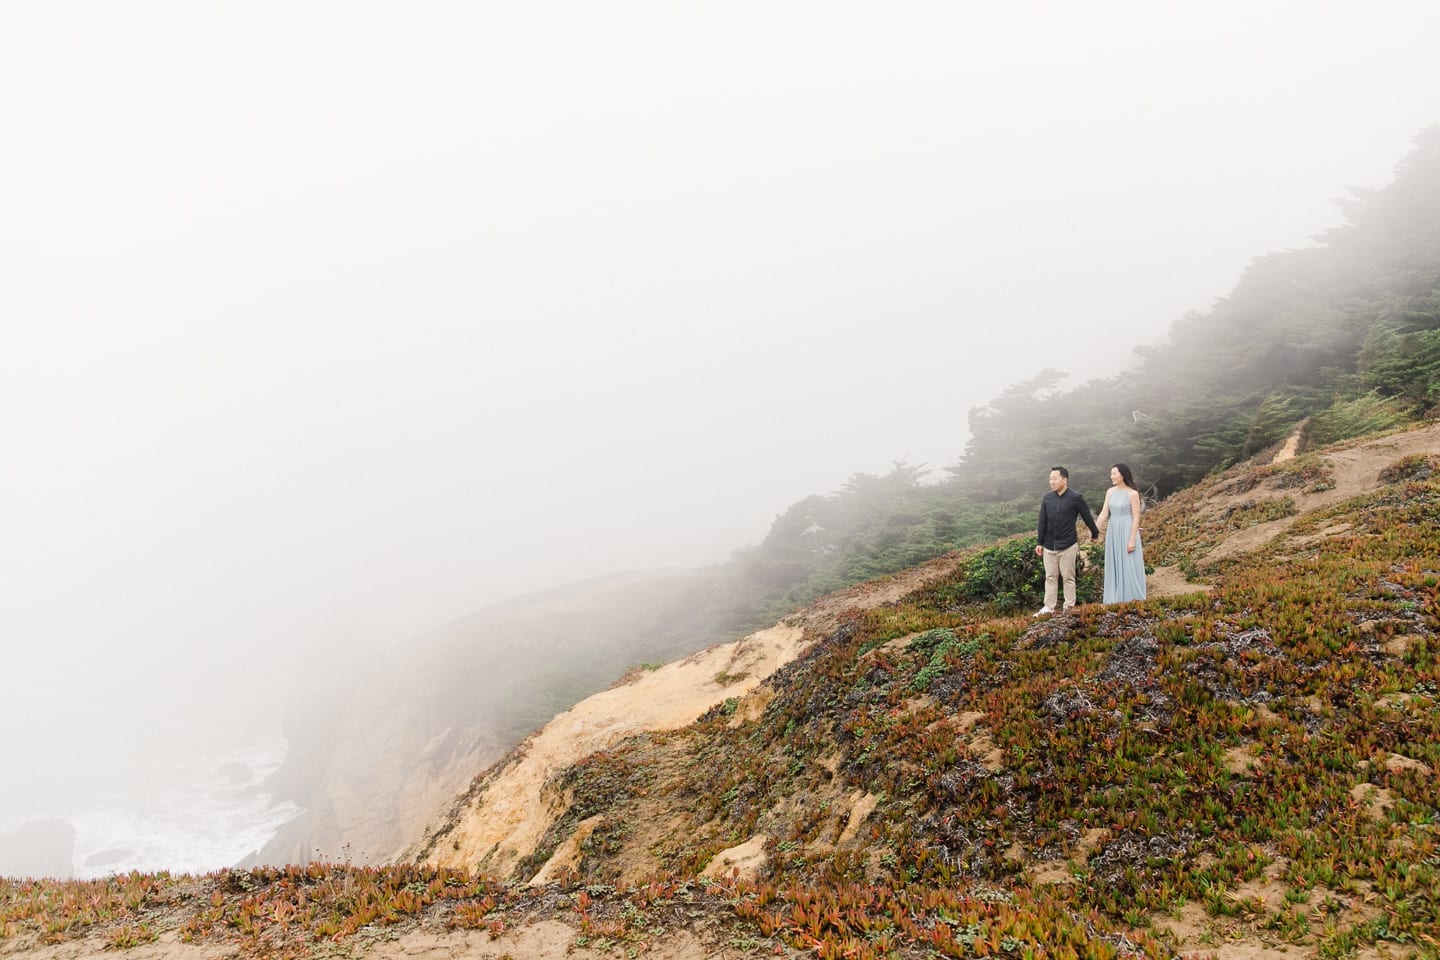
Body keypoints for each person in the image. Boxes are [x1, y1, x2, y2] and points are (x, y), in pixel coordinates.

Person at [1034, 466, 1099, 615]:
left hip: (1068, 544)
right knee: (1050, 577)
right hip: (1049, 545)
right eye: (1050, 479)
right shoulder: (1047, 498)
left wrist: (1094, 533)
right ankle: (1049, 607)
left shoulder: (1075, 497)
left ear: (1065, 479)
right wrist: (1039, 542)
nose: (1051, 482)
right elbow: (1042, 521)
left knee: (1068, 577)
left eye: (1054, 478)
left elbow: (1087, 516)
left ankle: (1069, 607)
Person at [1095, 462, 1147, 604]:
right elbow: (1104, 513)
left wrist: (1132, 539)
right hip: (1113, 530)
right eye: (1111, 474)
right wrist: (1095, 530)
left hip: (1127, 529)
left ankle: (1132, 598)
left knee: (1128, 562)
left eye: (1114, 473)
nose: (1111, 477)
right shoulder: (1110, 492)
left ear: (1122, 475)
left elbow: (1136, 517)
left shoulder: (1132, 493)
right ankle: (1115, 598)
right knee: (1115, 561)